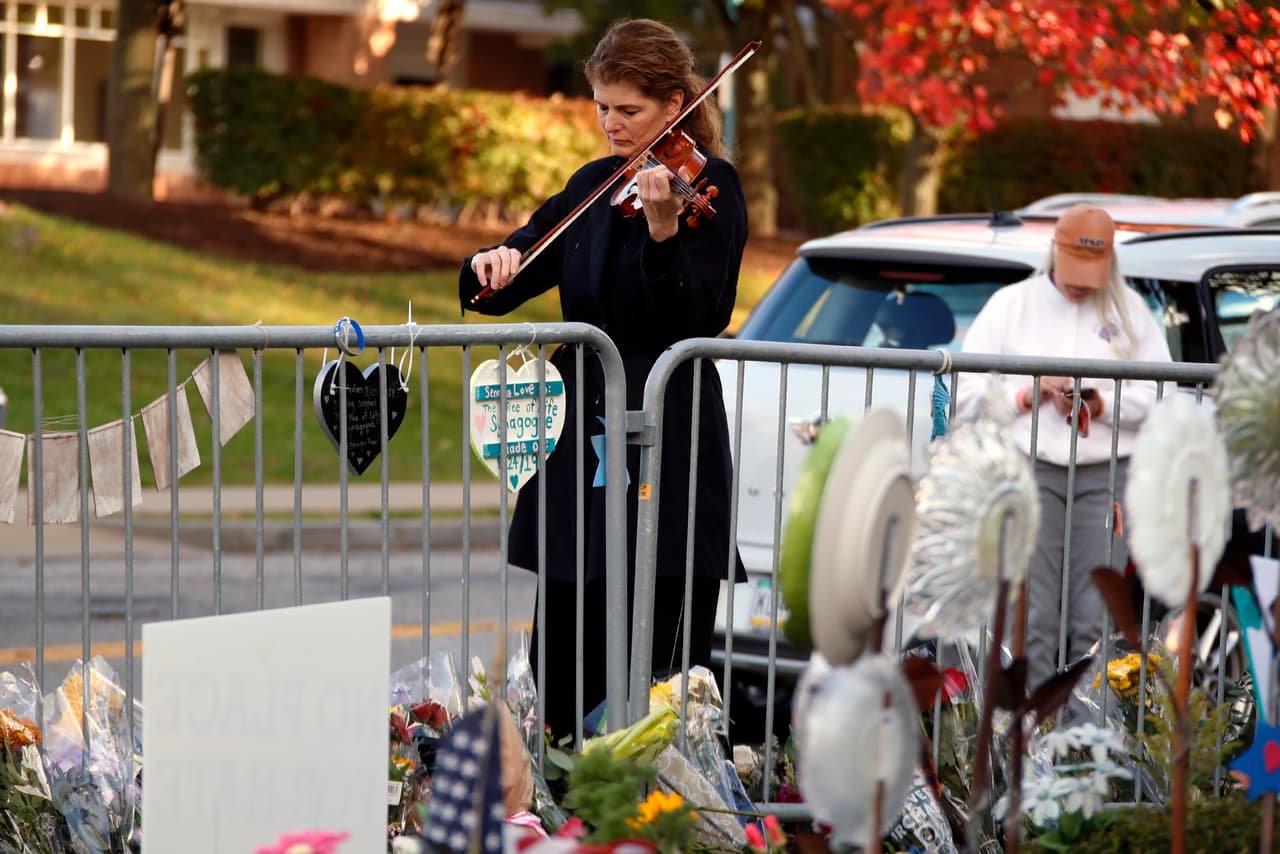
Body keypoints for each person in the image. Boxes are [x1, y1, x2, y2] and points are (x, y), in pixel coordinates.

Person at [458, 18, 747, 737]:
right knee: (562, 655)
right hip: (578, 432)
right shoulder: (591, 187)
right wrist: (488, 266)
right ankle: (559, 814)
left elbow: (701, 313)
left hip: (665, 434)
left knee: (659, 672)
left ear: (676, 104)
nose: (611, 123)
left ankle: (655, 820)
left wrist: (661, 238)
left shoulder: (710, 186)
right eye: (601, 106)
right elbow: (513, 268)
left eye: (629, 109)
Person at [954, 204, 1172, 703]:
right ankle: (1026, 742)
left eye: (1091, 274)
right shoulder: (1011, 305)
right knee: (1027, 617)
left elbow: (1164, 395)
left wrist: (1101, 401)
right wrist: (1028, 394)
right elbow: (965, 394)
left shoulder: (1130, 313)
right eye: (1073, 271)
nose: (1079, 286)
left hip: (1105, 476)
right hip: (1027, 473)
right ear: (1054, 251)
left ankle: (1085, 750)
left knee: (1097, 619)